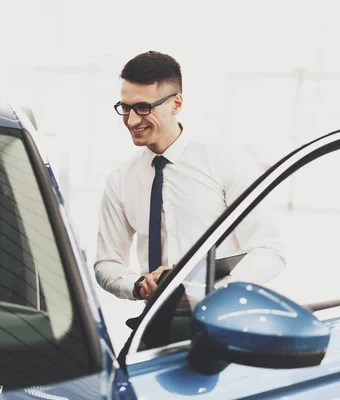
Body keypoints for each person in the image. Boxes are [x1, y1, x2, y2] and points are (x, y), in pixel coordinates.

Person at [95, 51, 285, 301]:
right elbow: (106, 262)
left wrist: (206, 291)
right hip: (154, 320)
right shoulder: (120, 180)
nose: (131, 120)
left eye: (143, 108)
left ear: (176, 104)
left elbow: (269, 251)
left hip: (222, 314)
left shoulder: (225, 159)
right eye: (125, 107)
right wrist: (139, 283)